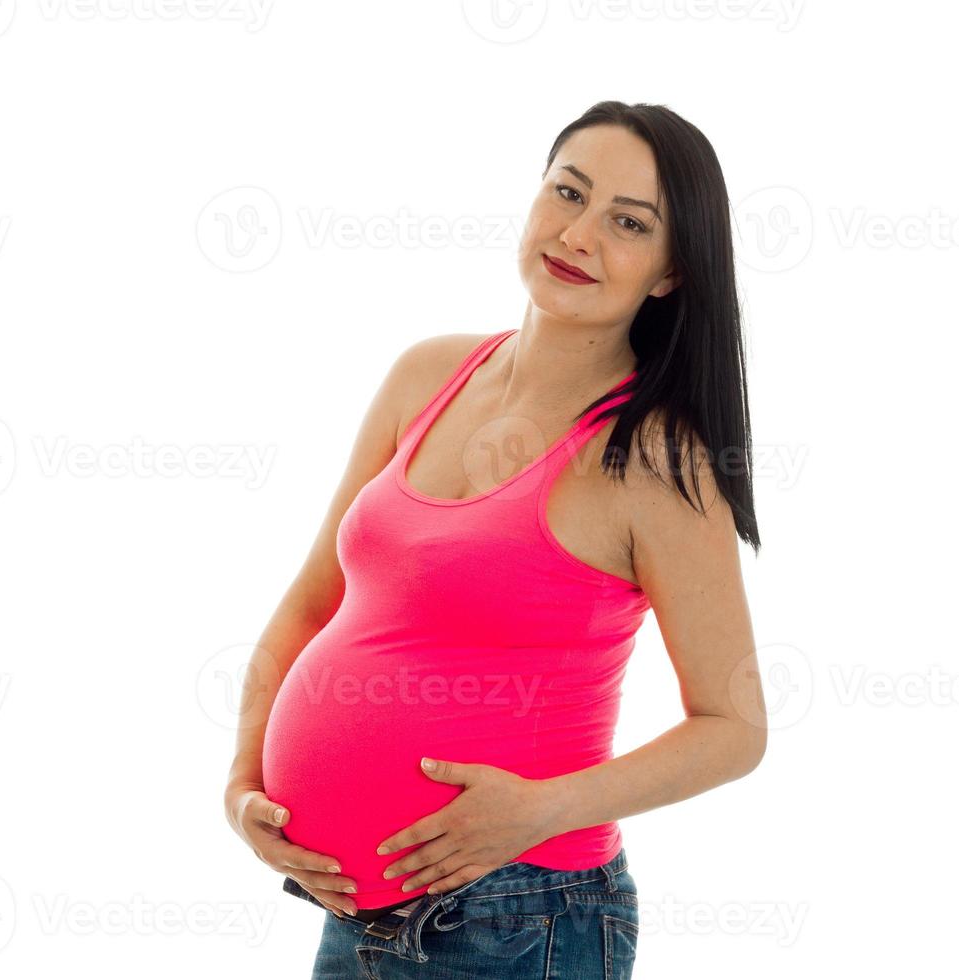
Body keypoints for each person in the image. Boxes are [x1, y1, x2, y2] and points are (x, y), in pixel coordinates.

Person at [223, 100, 765, 979]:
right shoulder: (427, 373)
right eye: (568, 193)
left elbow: (734, 728)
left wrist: (542, 809)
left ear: (670, 273)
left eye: (628, 223)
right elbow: (311, 603)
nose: (579, 234)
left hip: (518, 913)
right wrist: (244, 779)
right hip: (351, 905)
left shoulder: (654, 459)